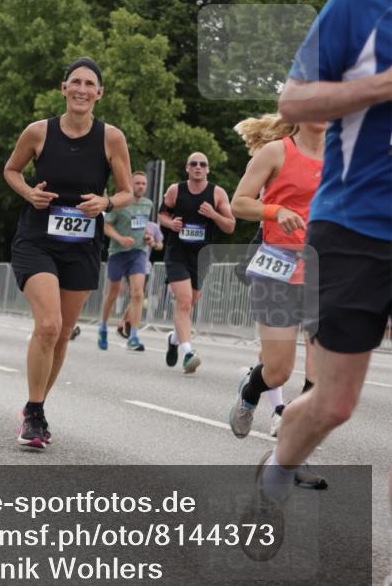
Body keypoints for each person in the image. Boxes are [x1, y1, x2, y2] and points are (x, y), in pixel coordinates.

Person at [241, 0, 391, 586]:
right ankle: (275, 471)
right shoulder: (359, 7)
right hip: (355, 229)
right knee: (334, 402)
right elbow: (294, 98)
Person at [4, 57, 133, 450]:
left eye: (89, 84)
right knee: (48, 324)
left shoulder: (111, 138)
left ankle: (36, 406)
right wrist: (29, 193)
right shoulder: (38, 132)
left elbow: (127, 191)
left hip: (83, 244)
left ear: (99, 93)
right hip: (37, 239)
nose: (81, 89)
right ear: (63, 89)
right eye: (74, 82)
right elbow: (11, 171)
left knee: (61, 333)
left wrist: (106, 202)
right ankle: (35, 411)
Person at [228, 113, 328, 490]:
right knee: (279, 371)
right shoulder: (275, 152)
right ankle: (252, 389)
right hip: (277, 268)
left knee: (320, 377)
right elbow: (239, 203)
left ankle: (293, 458)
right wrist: (275, 210)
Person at [159, 152, 235, 373]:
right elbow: (162, 215)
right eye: (194, 164)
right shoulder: (176, 190)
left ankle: (174, 340)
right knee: (183, 302)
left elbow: (230, 226)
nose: (198, 167)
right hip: (177, 253)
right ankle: (188, 353)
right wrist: (170, 223)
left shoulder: (217, 193)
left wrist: (213, 215)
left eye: (203, 164)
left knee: (190, 302)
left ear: (208, 169)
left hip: (201, 256)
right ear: (187, 168)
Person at [98, 170, 155, 351]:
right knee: (113, 293)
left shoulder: (148, 204)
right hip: (118, 252)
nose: (141, 186)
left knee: (138, 293)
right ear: (131, 184)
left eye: (143, 184)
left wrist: (147, 237)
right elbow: (106, 225)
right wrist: (120, 238)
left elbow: (142, 224)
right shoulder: (120, 202)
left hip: (138, 252)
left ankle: (133, 335)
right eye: (137, 183)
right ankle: (103, 326)